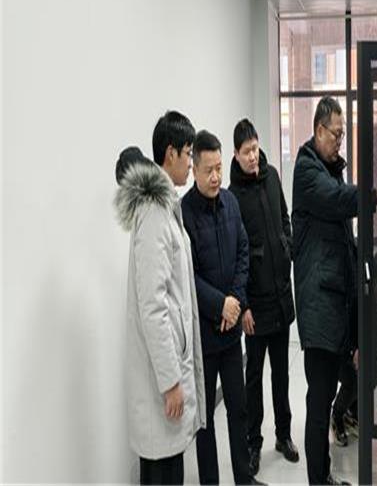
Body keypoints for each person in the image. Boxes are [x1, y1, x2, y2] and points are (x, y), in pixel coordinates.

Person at [292, 96, 377, 485]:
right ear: (318, 130)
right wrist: (371, 197)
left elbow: (344, 239)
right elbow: (336, 199)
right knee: (318, 403)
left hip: (334, 307)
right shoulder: (307, 171)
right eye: (336, 134)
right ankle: (317, 480)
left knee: (324, 398)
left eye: (343, 135)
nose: (340, 141)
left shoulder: (330, 170)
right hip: (318, 309)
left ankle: (322, 476)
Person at [113, 111, 206, 486]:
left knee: (168, 470)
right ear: (170, 153)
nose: (190, 163)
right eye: (188, 154)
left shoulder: (164, 208)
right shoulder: (154, 214)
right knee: (162, 473)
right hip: (162, 382)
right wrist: (170, 382)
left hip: (167, 373)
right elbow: (153, 307)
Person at [180, 130, 257, 485]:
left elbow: (243, 252)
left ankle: (244, 478)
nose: (215, 177)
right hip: (205, 336)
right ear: (194, 170)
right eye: (208, 170)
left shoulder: (230, 202)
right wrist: (219, 306)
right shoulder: (184, 213)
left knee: (238, 409)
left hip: (231, 331)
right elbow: (187, 276)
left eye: (219, 168)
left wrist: (235, 302)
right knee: (206, 421)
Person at [228, 118, 299, 475]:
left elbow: (285, 218)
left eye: (255, 149)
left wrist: (287, 248)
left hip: (280, 296)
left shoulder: (272, 178)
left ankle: (283, 436)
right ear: (236, 155)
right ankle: (253, 443)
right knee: (253, 378)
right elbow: (235, 256)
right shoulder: (232, 196)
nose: (253, 156)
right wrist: (243, 306)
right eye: (246, 152)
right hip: (254, 305)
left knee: (281, 374)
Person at [331, 252, 377, 445]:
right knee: (353, 377)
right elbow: (341, 329)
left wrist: (363, 351)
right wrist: (353, 351)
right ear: (376, 282)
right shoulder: (355, 298)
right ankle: (337, 414)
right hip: (341, 354)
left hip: (359, 354)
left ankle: (352, 410)